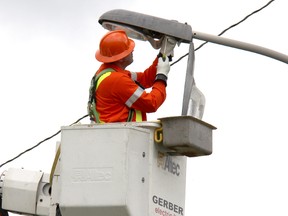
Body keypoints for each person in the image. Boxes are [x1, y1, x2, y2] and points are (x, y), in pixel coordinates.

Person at [88, 30, 172, 123]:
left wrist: (163, 54)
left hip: (122, 134)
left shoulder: (109, 73)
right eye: (128, 49)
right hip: (125, 135)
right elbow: (151, 103)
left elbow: (145, 78)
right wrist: (162, 76)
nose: (132, 50)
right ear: (120, 58)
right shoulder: (117, 80)